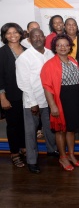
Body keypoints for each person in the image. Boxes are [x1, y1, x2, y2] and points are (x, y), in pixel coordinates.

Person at [15, 28, 58, 173]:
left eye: (40, 36)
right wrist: (33, 103)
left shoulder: (50, 53)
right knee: (31, 132)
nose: (38, 38)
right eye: (35, 36)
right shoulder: (24, 57)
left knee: (49, 127)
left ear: (45, 37)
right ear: (29, 39)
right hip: (32, 101)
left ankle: (52, 150)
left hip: (48, 99)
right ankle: (32, 160)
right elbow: (23, 82)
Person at [41, 34, 79, 172]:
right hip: (60, 100)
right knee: (60, 131)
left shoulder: (73, 61)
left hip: (74, 99)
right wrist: (52, 105)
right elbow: (47, 87)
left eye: (65, 45)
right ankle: (62, 157)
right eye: (59, 45)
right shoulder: (49, 65)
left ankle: (71, 155)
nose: (63, 47)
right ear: (55, 47)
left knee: (71, 129)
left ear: (70, 47)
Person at [0, 23, 26, 168]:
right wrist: (2, 97)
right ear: (4, 36)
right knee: (13, 125)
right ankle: (14, 153)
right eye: (8, 33)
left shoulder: (27, 51)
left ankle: (23, 147)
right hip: (10, 96)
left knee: (25, 124)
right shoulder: (2, 52)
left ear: (20, 34)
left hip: (26, 95)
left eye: (15, 32)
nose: (12, 35)